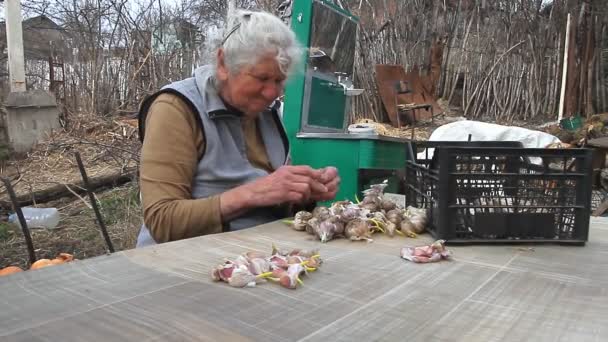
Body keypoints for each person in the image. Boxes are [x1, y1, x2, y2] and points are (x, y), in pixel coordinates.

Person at [135, 10, 340, 247]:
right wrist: (252, 194)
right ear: (223, 63)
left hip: (255, 254)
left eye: (279, 81)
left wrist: (303, 192)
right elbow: (163, 222)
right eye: (262, 78)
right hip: (182, 261)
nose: (273, 92)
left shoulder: (265, 111)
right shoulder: (175, 108)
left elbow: (271, 200)